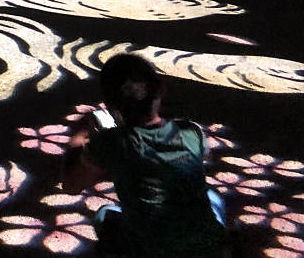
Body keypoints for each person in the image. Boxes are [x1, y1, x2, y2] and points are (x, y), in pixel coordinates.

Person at [61, 53, 228, 257]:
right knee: (213, 197)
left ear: (111, 105)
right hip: (206, 247)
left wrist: (78, 139)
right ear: (160, 90)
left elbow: (71, 186)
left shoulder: (112, 142)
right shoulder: (191, 131)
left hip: (150, 249)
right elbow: (202, 156)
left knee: (105, 215)